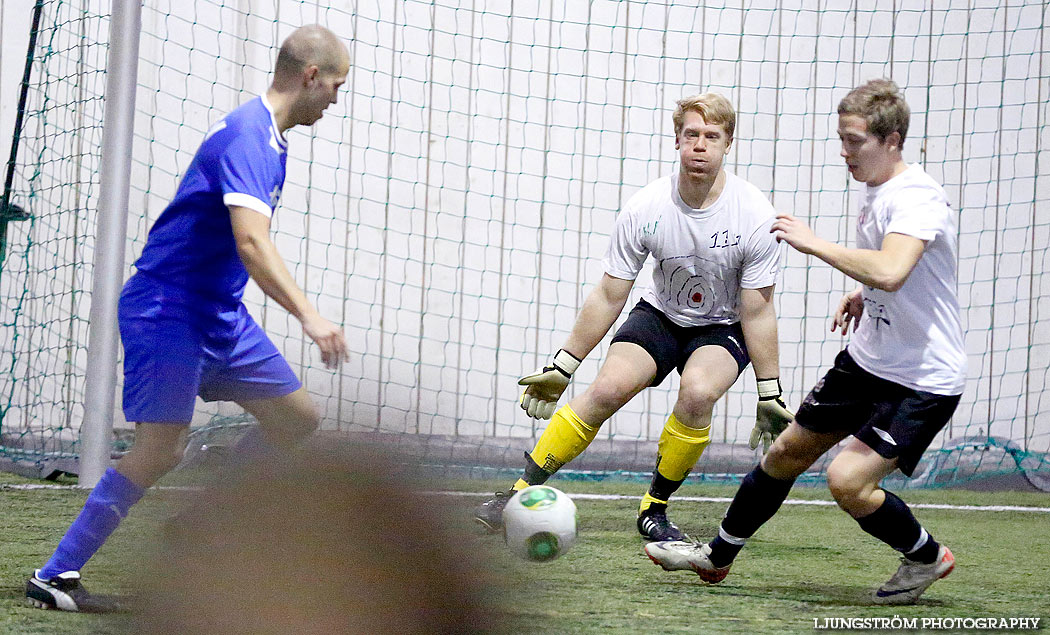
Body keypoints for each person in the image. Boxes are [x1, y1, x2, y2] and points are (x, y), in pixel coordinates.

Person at [26, 25, 351, 613]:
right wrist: (310, 316)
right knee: (160, 450)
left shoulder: (269, 138)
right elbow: (252, 244)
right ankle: (55, 574)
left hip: (218, 317)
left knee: (297, 418)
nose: (335, 101)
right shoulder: (249, 138)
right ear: (309, 77)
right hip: (167, 311)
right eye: (335, 87)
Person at [645, 79, 966, 606]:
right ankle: (716, 558)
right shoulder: (877, 189)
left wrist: (817, 245)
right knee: (786, 452)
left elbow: (892, 268)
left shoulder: (917, 198)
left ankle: (927, 556)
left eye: (854, 140)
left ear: (892, 140)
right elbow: (892, 275)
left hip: (922, 379)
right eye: (841, 138)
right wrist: (863, 295)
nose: (844, 151)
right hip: (868, 359)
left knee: (847, 481)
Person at [474, 93, 794, 542]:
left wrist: (768, 390)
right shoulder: (646, 207)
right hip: (661, 315)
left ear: (728, 144)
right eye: (691, 135)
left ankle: (654, 510)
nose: (700, 146)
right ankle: (515, 494)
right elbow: (610, 293)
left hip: (722, 327)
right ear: (677, 141)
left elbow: (757, 310)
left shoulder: (755, 215)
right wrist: (564, 365)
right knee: (605, 388)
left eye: (712, 137)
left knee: (699, 393)